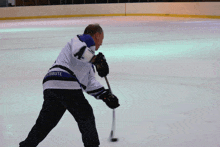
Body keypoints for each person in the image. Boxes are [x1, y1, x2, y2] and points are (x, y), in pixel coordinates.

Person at [19, 23, 120, 147]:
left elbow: (88, 83)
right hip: (66, 81)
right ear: (97, 35)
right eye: (102, 39)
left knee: (46, 123)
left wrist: (105, 95)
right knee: (85, 115)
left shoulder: (87, 60)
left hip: (51, 84)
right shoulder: (85, 39)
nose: (101, 43)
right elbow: (78, 51)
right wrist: (95, 60)